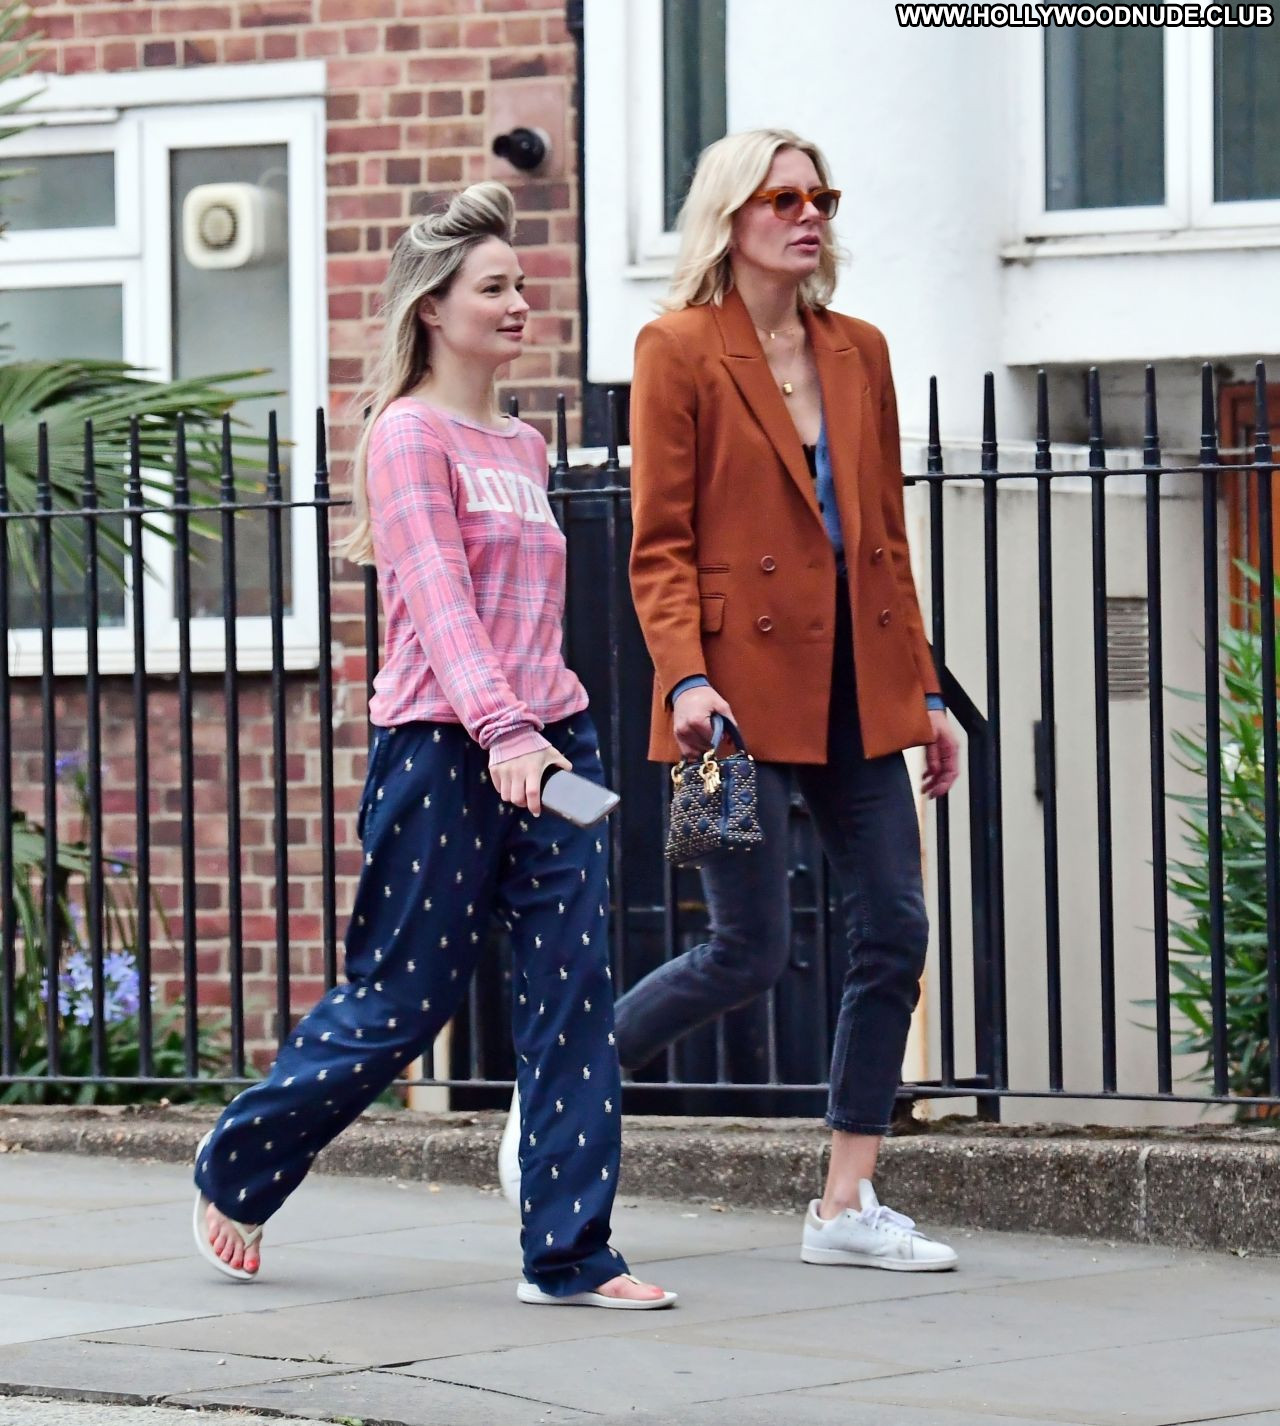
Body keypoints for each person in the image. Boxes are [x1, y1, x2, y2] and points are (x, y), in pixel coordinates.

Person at [191, 182, 674, 1310]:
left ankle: (570, 1255)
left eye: (520, 284)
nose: (518, 303)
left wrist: (541, 733)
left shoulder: (526, 443)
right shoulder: (406, 434)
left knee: (571, 995)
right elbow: (441, 602)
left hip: (555, 743)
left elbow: (528, 616)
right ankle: (238, 1162)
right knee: (403, 1001)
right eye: (493, 287)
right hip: (444, 749)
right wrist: (501, 730)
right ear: (432, 309)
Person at [619, 129, 961, 1271]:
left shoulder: (859, 350)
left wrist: (923, 690)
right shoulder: (674, 348)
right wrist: (683, 676)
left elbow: (885, 541)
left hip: (858, 691)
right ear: (731, 217)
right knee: (744, 948)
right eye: (782, 198)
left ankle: (844, 1203)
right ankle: (565, 1082)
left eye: (820, 196)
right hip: (719, 711)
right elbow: (659, 545)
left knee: (895, 929)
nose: (808, 214)